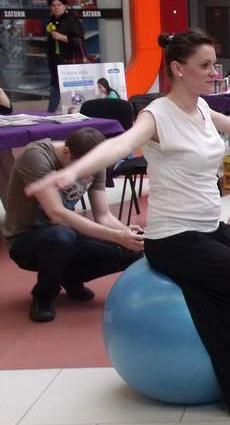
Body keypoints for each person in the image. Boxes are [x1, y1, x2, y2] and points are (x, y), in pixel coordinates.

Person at [27, 30, 230, 417]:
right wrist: (71, 172)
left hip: (210, 230)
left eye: (214, 64)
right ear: (178, 69)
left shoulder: (201, 107)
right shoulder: (156, 115)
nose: (214, 72)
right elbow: (120, 144)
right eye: (205, 65)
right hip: (175, 240)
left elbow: (219, 120)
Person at [4, 127, 143, 322]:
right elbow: (56, 214)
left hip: (66, 233)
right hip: (25, 239)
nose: (84, 175)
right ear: (66, 151)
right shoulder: (37, 157)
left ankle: (70, 277)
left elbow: (103, 215)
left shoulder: (96, 163)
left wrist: (126, 233)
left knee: (133, 250)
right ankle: (44, 295)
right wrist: (116, 236)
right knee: (61, 236)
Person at [45, 0, 85, 113]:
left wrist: (62, 37)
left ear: (65, 6)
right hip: (55, 61)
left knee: (59, 87)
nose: (56, 8)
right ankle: (53, 112)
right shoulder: (51, 21)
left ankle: (51, 112)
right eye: (53, 5)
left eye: (59, 5)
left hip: (69, 60)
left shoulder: (71, 20)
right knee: (55, 86)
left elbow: (79, 40)